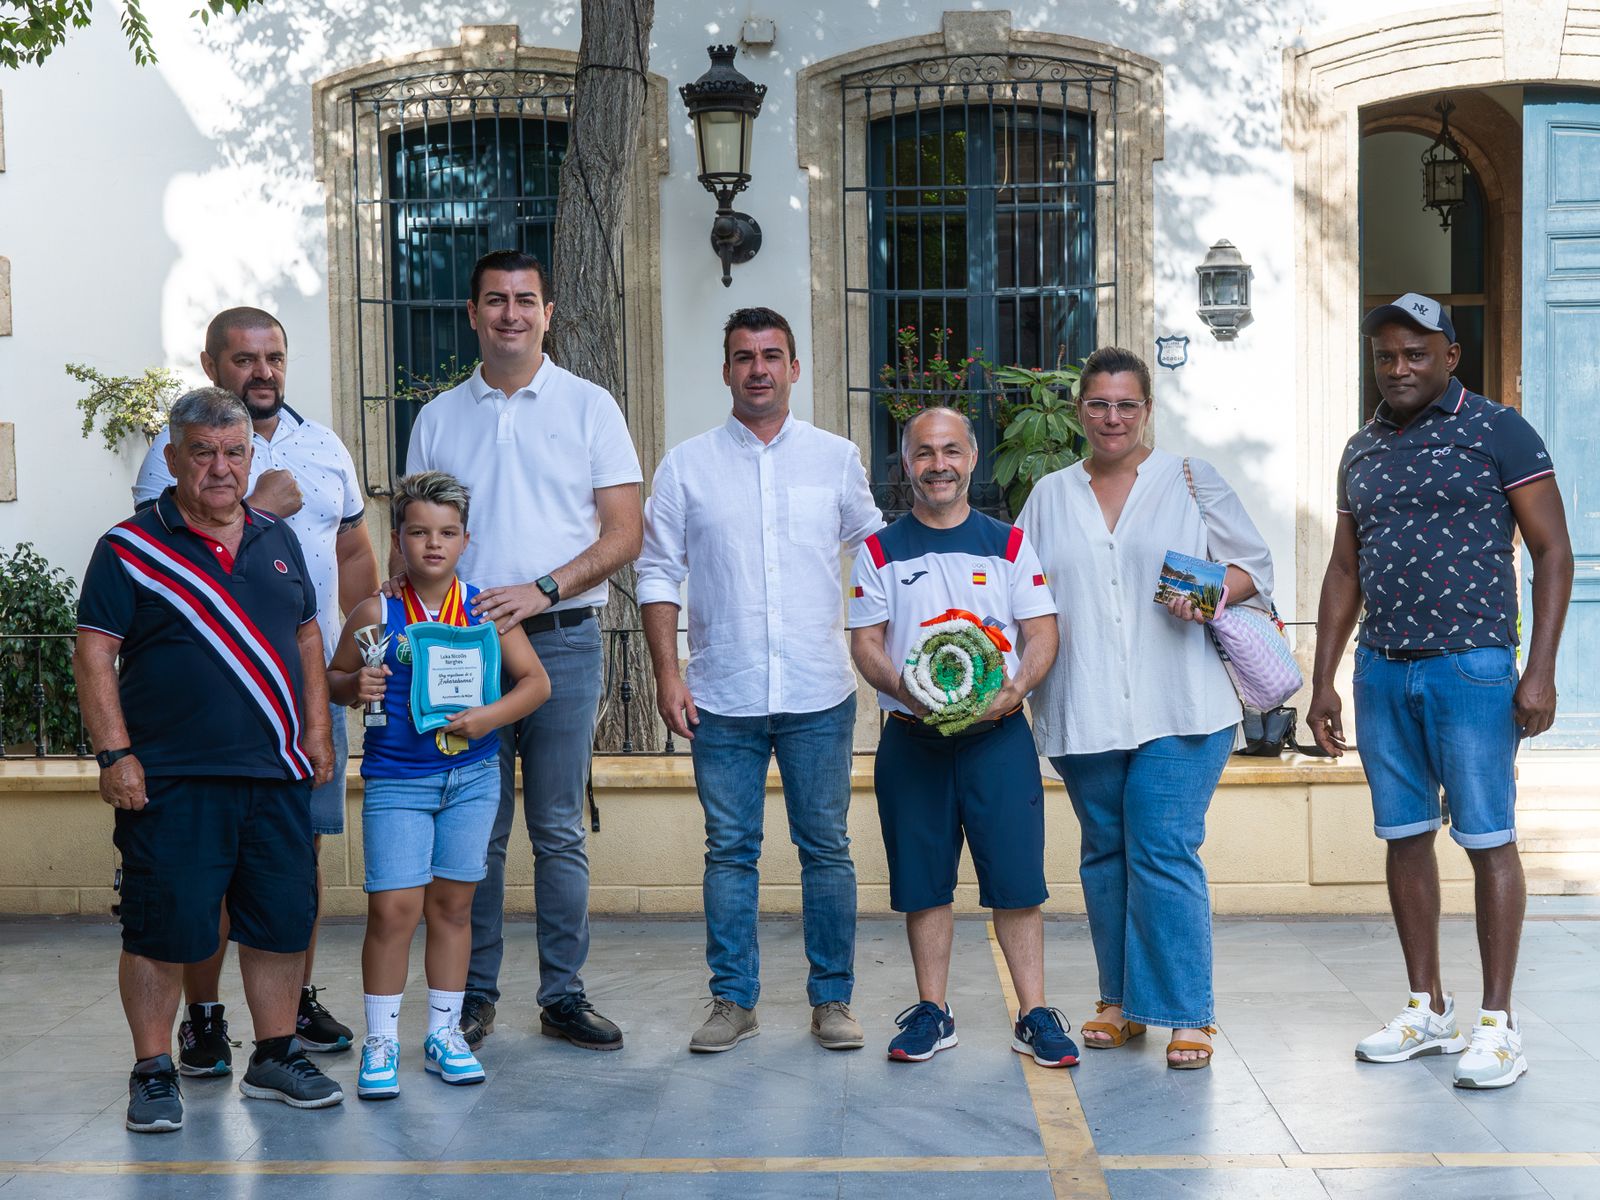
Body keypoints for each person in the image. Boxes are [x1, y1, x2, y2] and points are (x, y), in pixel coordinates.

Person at [1309, 293, 1573, 1090]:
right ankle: (1428, 1008)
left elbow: (1553, 552)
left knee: (1489, 838)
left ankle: (1499, 1024)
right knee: (1405, 833)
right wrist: (1323, 678)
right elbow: (1345, 567)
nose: (1398, 368)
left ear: (1450, 355)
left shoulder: (1499, 430)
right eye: (1386, 356)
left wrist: (1540, 669)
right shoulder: (1361, 448)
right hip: (1384, 669)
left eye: (1416, 353)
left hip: (1473, 668)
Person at [74, 387, 345, 1133]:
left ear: (250, 457)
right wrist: (114, 753)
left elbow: (309, 638)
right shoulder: (130, 547)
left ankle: (275, 1055)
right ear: (173, 459)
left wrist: (317, 732)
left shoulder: (276, 537)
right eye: (203, 453)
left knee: (281, 922)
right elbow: (95, 653)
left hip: (276, 772)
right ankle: (155, 1070)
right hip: (172, 778)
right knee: (162, 929)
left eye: (234, 453)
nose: (221, 469)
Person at [405, 250, 643, 1051]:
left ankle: (563, 995)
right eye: (496, 301)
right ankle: (471, 997)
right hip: (462, 647)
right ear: (472, 314)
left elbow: (624, 533)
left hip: (564, 640)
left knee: (558, 828)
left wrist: (543, 587)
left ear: (548, 314)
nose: (511, 313)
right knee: (478, 829)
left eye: (526, 301)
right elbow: (420, 538)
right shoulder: (438, 416)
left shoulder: (590, 406)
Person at [1014, 346, 1275, 1070]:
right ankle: (1121, 1003)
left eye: (1127, 404)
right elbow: (1025, 597)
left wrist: (1206, 592)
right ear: (1079, 411)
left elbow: (1257, 567)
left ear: (1147, 410)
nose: (1112, 418)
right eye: (1098, 404)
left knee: (1162, 844)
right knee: (1105, 853)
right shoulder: (1049, 495)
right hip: (1084, 701)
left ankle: (1189, 1012)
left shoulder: (1191, 480)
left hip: (1184, 702)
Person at [133, 307, 377, 1071]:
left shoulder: (326, 446)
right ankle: (204, 1019)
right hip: (207, 705)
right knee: (201, 872)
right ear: (213, 364)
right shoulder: (172, 454)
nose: (262, 372)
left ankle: (291, 1009)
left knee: (293, 862)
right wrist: (259, 506)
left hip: (299, 700)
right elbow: (165, 569)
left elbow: (356, 559)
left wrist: (353, 660)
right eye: (244, 359)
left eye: (273, 357)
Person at [637, 307, 883, 1053]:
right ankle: (732, 1000)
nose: (759, 369)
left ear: (795, 368)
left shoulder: (835, 458)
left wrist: (889, 660)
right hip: (722, 692)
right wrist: (666, 671)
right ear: (726, 371)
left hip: (817, 690)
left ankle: (832, 1000)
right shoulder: (687, 464)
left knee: (826, 848)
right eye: (743, 356)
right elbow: (656, 570)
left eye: (772, 355)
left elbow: (873, 555)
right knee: (728, 850)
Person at [848, 406, 1075, 1066]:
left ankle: (1033, 1013)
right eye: (924, 453)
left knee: (1017, 882)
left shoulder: (1007, 543)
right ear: (907, 465)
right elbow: (864, 642)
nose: (938, 464)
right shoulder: (879, 550)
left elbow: (1042, 634)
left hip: (996, 738)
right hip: (913, 740)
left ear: (971, 459)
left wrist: (1013, 689)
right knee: (923, 884)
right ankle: (932, 1011)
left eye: (951, 451)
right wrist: (902, 685)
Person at [328, 471, 550, 1099]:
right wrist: (354, 687)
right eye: (419, 532)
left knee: (454, 908)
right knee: (392, 910)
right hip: (398, 780)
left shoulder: (484, 609)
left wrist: (488, 717)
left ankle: (445, 1033)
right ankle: (381, 1040)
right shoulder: (376, 610)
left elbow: (536, 684)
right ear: (396, 538)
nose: (433, 544)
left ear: (465, 540)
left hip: (472, 776)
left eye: (447, 533)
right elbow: (335, 676)